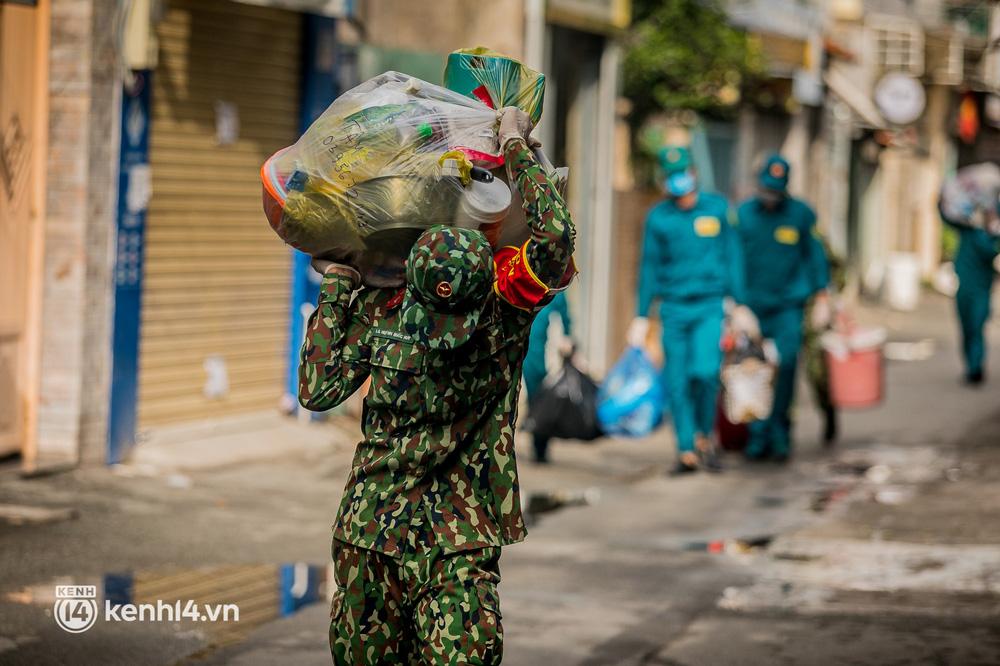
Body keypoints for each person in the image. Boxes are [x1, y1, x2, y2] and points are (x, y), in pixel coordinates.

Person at [299, 107, 576, 664]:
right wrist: (516, 146)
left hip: (379, 529)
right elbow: (555, 239)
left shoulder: (385, 308)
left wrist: (337, 286)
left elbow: (316, 390)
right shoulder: (505, 315)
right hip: (448, 538)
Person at [629, 145, 750, 475]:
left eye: (682, 173)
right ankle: (686, 449)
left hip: (710, 307)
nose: (677, 181)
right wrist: (641, 315)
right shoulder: (659, 218)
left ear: (694, 173)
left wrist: (739, 303)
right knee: (678, 379)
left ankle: (703, 436)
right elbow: (649, 268)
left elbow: (733, 256)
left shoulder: (718, 209)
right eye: (671, 176)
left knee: (706, 372)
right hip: (674, 308)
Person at [736, 154, 830, 462]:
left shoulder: (801, 215)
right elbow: (733, 261)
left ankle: (779, 433)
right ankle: (757, 435)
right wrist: (735, 303)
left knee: (787, 366)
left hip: (788, 307)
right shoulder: (743, 216)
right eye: (767, 190)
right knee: (754, 370)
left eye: (777, 192)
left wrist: (823, 298)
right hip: (753, 308)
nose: (771, 198)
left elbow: (815, 256)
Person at [939, 163, 1000, 385]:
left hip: (981, 286)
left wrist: (989, 229)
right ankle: (970, 366)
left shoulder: (991, 230)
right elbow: (947, 215)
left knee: (977, 323)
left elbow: (992, 249)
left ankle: (976, 368)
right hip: (964, 283)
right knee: (966, 324)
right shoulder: (966, 223)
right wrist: (941, 199)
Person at [522, 290, 572, 463]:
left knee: (545, 401)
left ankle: (541, 445)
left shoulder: (556, 288)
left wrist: (567, 338)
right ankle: (538, 444)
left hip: (548, 357)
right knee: (534, 399)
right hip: (530, 355)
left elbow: (565, 316)